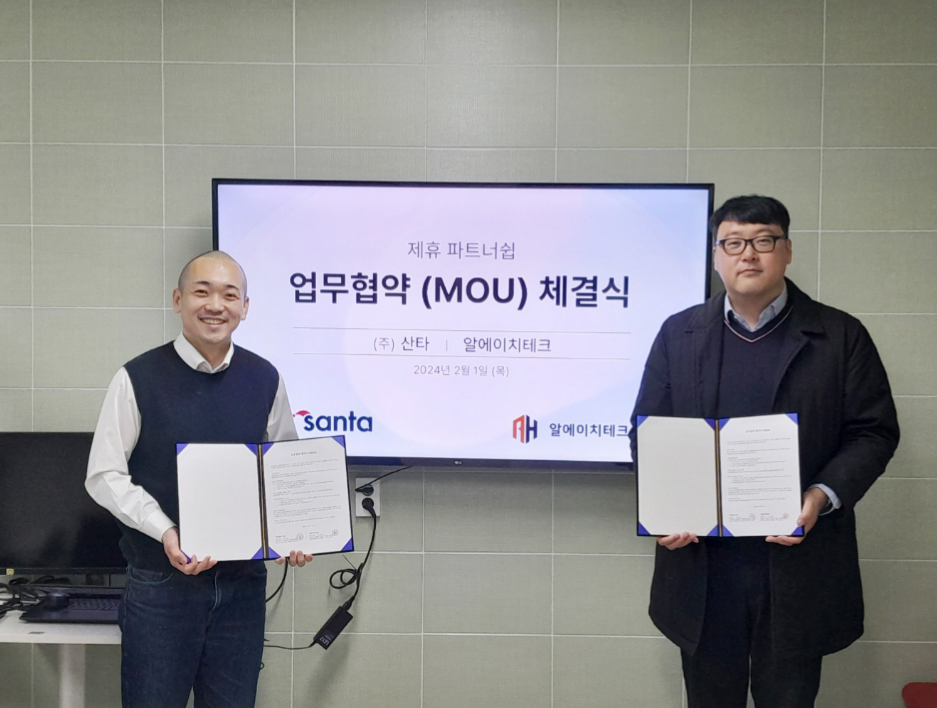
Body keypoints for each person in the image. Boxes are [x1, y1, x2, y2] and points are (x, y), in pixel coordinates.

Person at [630, 195, 899, 708]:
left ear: (787, 250)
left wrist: (820, 497)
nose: (748, 254)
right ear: (715, 256)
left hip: (797, 563)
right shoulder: (678, 334)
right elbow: (647, 432)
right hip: (703, 564)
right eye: (733, 243)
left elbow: (874, 432)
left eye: (763, 241)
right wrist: (665, 508)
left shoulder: (840, 335)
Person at [87, 250, 312, 708]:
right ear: (178, 300)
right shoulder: (136, 378)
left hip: (242, 587)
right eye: (202, 292)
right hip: (161, 587)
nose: (215, 305)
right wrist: (165, 531)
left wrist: (294, 530)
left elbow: (285, 467)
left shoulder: (265, 378)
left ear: (245, 307)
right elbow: (104, 474)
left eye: (229, 295)